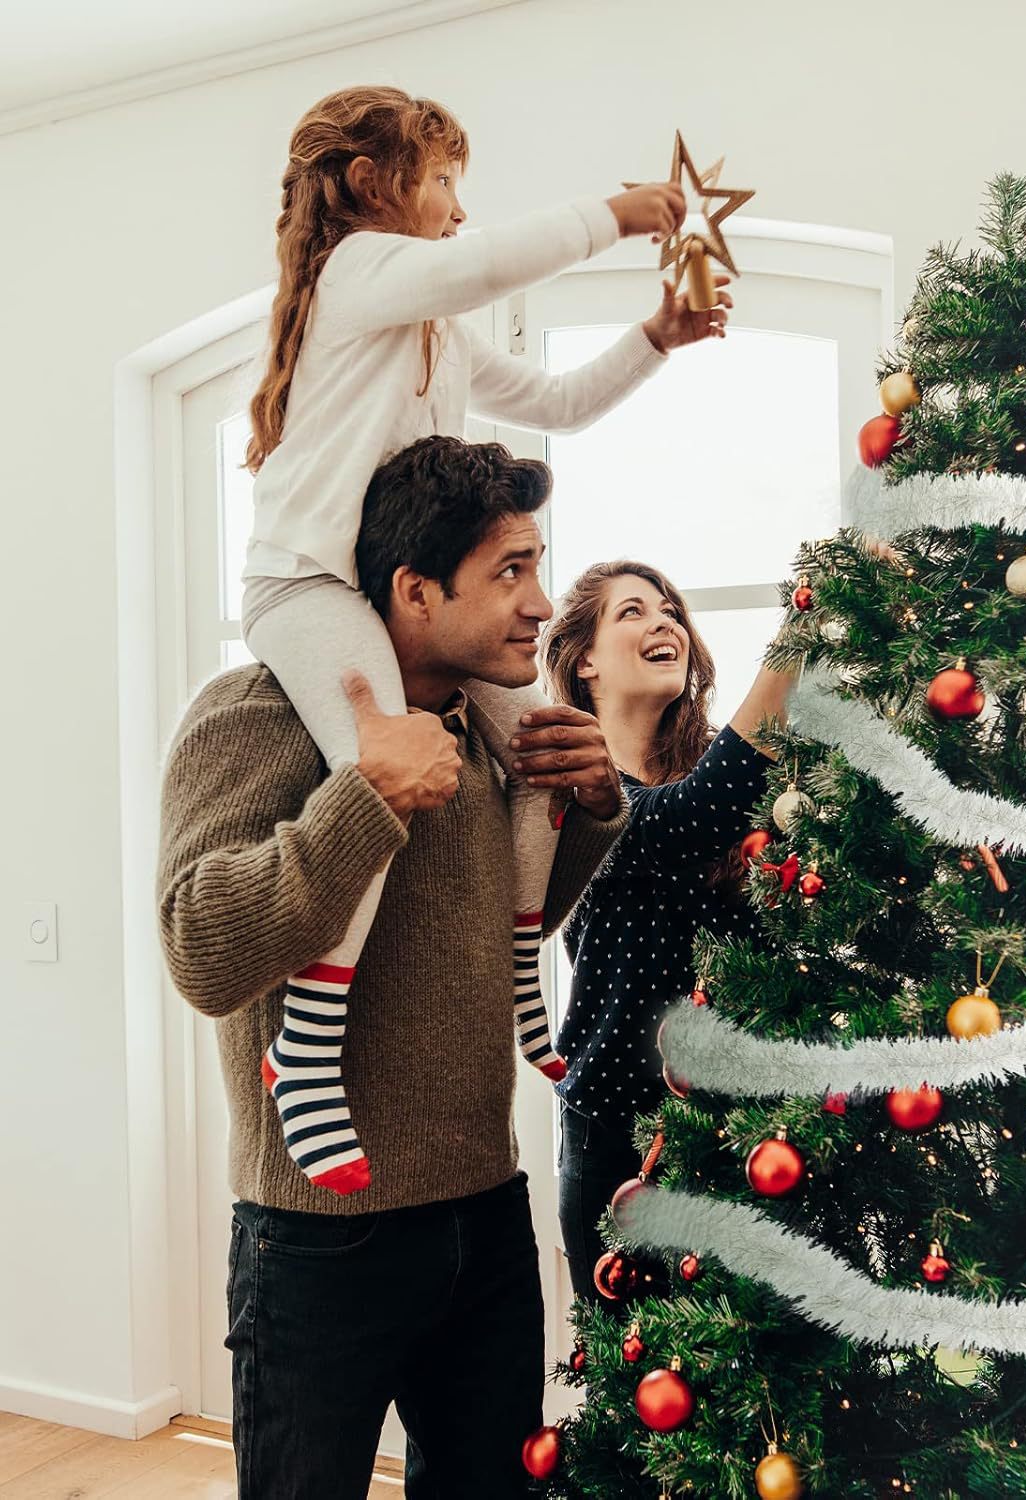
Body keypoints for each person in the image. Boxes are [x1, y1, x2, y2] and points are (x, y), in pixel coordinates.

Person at [240, 84, 731, 1194]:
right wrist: (619, 212)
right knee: (393, 767)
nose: (461, 208)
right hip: (309, 588)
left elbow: (557, 401)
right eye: (446, 181)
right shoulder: (357, 272)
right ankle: (307, 1041)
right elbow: (479, 265)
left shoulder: (437, 333)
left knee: (542, 750)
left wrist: (655, 336)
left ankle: (524, 986)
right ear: (376, 186)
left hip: (382, 593)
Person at [158, 436, 624, 1498]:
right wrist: (366, 797)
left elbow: (485, 931)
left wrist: (593, 810)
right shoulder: (253, 714)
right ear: (415, 591)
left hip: (488, 1211)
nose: (541, 604)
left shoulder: (483, 733)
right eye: (510, 572)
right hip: (320, 1243)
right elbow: (200, 949)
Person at [537, 561, 793, 1297]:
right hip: (618, 1137)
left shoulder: (743, 779)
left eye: (672, 611)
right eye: (633, 612)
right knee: (638, 1386)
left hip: (750, 1130)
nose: (664, 624)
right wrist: (803, 634)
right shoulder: (573, 792)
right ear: (584, 660)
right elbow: (688, 817)